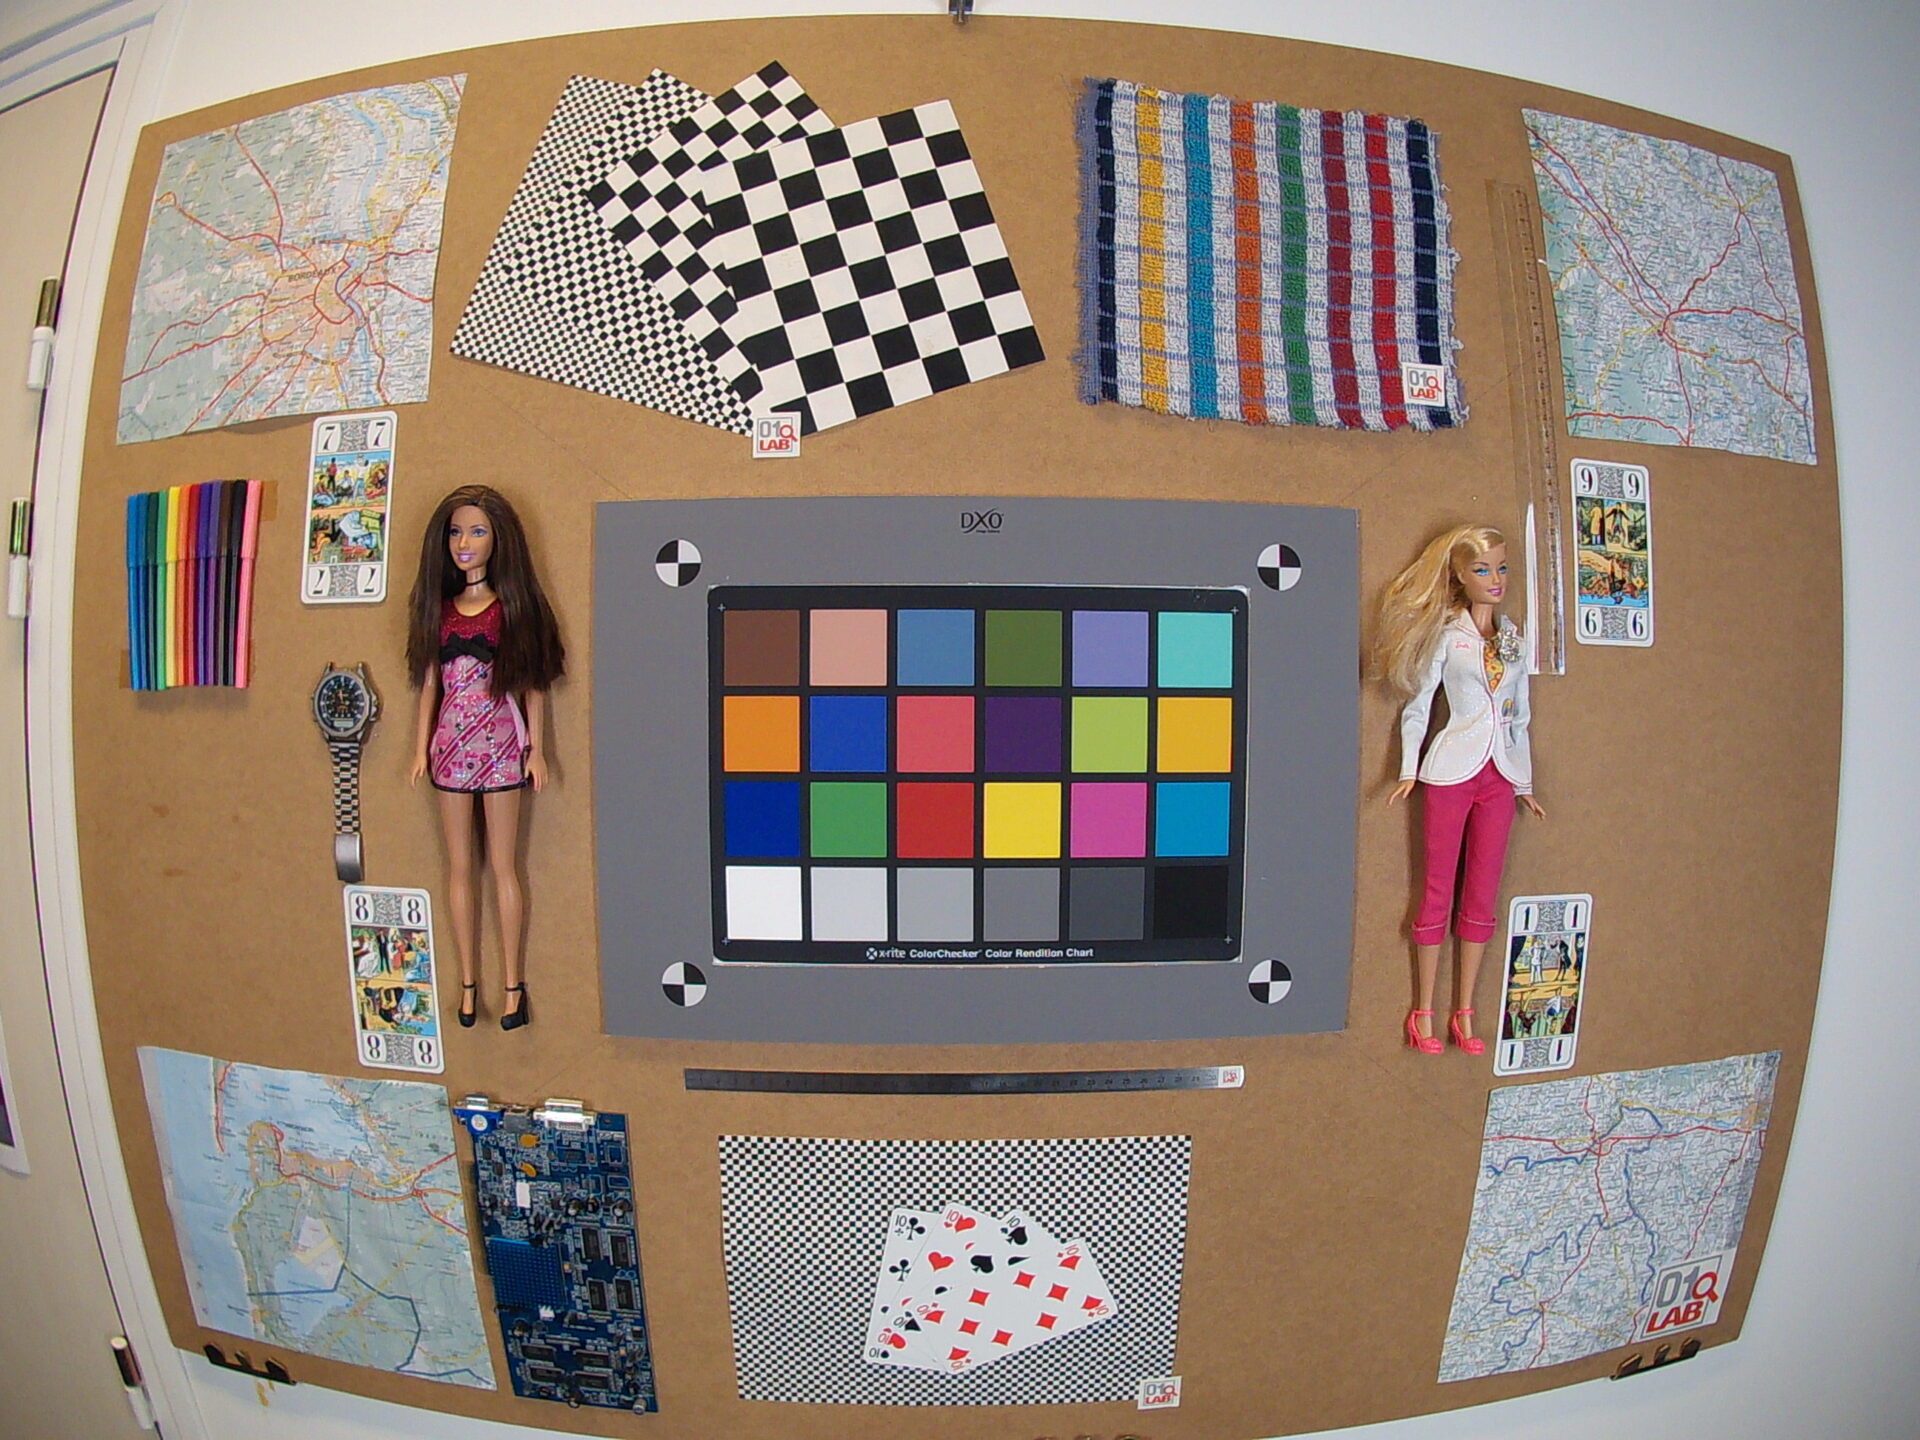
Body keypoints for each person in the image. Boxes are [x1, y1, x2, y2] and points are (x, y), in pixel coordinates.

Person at [1375, 525, 1546, 1055]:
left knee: (1482, 892)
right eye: (1482, 570)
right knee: (1437, 888)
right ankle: (1423, 1009)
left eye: (1502, 568)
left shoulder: (1513, 638)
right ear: (1458, 575)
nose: (1496, 579)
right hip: (1450, 771)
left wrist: (1524, 781)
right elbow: (1419, 706)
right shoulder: (1448, 636)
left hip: (1500, 777)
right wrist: (1408, 769)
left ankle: (1464, 1011)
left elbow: (1520, 715)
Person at [406, 485, 564, 1031]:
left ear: (499, 540)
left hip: (500, 747)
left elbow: (533, 685)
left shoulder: (510, 610)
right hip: (450, 749)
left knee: (503, 866)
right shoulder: (440, 612)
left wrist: (535, 749)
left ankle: (513, 985)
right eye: (456, 532)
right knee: (458, 867)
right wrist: (419, 748)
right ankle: (468, 983)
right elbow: (430, 685)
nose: (464, 543)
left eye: (476, 531)